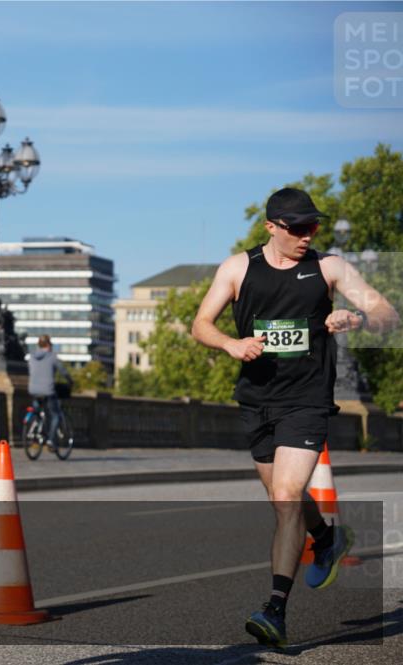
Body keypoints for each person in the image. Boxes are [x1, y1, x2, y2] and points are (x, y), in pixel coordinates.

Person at [192, 187, 399, 648]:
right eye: (298, 228)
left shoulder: (329, 267)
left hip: (307, 399)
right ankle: (326, 538)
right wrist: (230, 344)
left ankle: (274, 610)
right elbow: (200, 324)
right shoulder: (238, 268)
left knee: (286, 495)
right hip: (257, 398)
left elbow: (387, 313)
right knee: (280, 496)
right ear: (271, 227)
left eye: (313, 227)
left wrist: (357, 319)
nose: (307, 236)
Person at [27, 334, 73, 447]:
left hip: (33, 389)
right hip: (47, 390)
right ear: (48, 345)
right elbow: (63, 371)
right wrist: (70, 381)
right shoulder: (52, 357)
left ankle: (33, 429)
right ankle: (51, 440)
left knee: (37, 410)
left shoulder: (32, 356)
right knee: (55, 415)